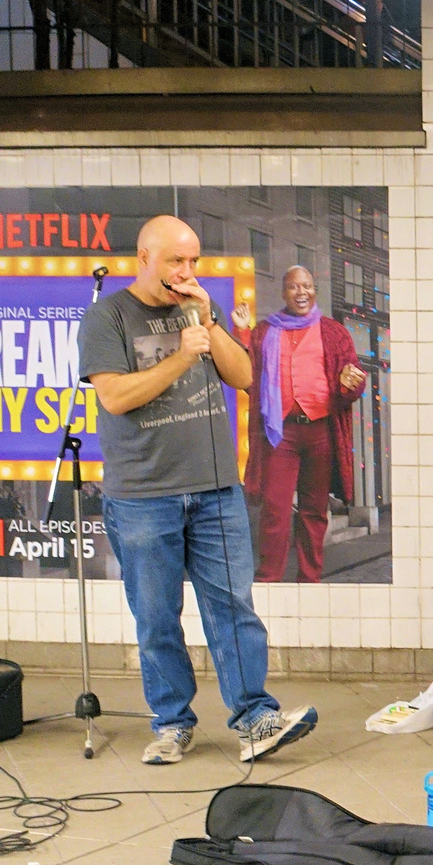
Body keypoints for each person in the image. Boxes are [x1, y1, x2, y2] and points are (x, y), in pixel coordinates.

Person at [79, 216, 317, 766]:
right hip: (142, 494)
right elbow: (115, 397)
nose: (186, 272)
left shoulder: (197, 309)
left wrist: (207, 324)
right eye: (174, 262)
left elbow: (243, 375)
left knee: (233, 607)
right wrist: (182, 355)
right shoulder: (106, 317)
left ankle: (255, 717)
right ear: (143, 258)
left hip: (215, 490)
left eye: (193, 261)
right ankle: (171, 723)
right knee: (157, 615)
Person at [239, 266, 368, 583]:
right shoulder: (264, 332)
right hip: (279, 433)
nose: (301, 292)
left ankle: (310, 579)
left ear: (314, 292)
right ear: (284, 293)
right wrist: (243, 333)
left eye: (307, 286)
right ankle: (269, 577)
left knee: (314, 510)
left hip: (321, 431)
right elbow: (246, 378)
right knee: (275, 509)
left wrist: (350, 383)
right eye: (294, 287)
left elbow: (352, 380)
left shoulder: (334, 332)